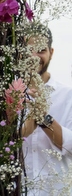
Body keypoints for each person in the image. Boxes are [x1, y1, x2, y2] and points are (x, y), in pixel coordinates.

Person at [22, 24, 72, 195]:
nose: (35, 57)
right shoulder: (8, 94)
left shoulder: (68, 95)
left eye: (41, 50)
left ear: (51, 52)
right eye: (29, 50)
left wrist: (43, 118)